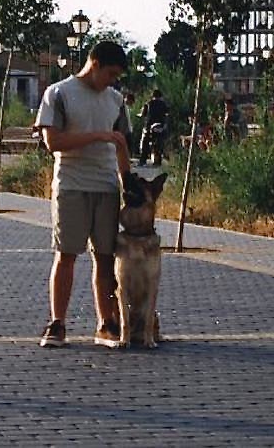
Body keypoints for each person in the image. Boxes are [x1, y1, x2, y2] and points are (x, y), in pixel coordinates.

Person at [34, 41, 132, 348]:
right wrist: (98, 136)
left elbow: (120, 145)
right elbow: (53, 142)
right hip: (72, 184)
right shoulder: (59, 93)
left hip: (106, 187)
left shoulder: (116, 100)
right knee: (66, 255)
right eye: (111, 73)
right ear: (95, 64)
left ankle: (107, 323)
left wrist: (128, 183)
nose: (113, 80)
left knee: (106, 258)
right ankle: (57, 323)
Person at [137, 89, 169, 166]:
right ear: (161, 96)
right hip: (160, 127)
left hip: (149, 126)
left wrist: (140, 115)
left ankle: (143, 160)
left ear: (153, 96)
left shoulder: (148, 103)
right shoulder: (164, 104)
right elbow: (167, 115)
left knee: (144, 142)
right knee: (160, 142)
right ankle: (158, 160)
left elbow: (143, 114)